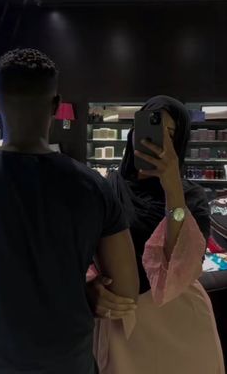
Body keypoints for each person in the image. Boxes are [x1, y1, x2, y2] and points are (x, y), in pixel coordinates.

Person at [0, 48, 139, 374]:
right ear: (56, 107)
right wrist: (86, 290)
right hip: (68, 362)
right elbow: (126, 291)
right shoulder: (93, 186)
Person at [88, 96, 225, 374]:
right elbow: (85, 251)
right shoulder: (107, 188)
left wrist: (173, 189)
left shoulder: (190, 196)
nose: (156, 140)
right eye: (150, 127)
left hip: (182, 323)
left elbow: (184, 265)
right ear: (132, 132)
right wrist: (91, 285)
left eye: (170, 134)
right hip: (123, 325)